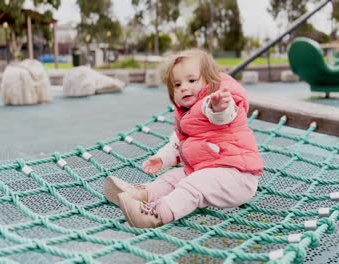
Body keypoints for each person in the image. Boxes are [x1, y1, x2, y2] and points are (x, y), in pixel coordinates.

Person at [104, 49, 263, 228]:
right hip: (210, 171)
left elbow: (224, 116)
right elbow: (177, 144)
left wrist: (219, 106)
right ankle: (143, 194)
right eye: (177, 85)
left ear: (210, 80)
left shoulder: (215, 103)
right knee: (174, 177)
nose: (184, 87)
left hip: (238, 177)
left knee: (194, 182)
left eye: (192, 80)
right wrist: (162, 158)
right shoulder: (186, 116)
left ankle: (156, 215)